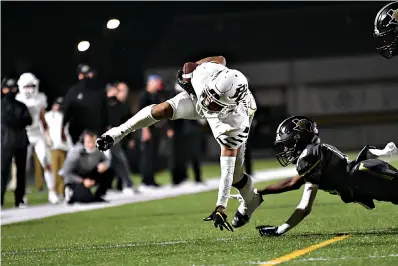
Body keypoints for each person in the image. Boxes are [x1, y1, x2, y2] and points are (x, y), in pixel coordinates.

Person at [97, 55, 262, 232]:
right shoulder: (206, 75)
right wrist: (194, 69)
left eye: (214, 103)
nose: (207, 104)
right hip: (209, 97)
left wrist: (221, 206)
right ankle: (116, 133)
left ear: (229, 104)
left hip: (224, 119)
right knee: (162, 109)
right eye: (209, 97)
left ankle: (250, 203)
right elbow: (220, 59)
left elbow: (226, 167)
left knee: (236, 177)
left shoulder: (234, 124)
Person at [252, 116, 398, 237]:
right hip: (361, 184)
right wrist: (260, 192)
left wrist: (280, 229)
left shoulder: (309, 156)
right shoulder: (313, 154)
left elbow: (304, 207)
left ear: (299, 139)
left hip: (365, 175)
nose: (286, 149)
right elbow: (292, 183)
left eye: (288, 144)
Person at [16, 73, 60, 204]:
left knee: (46, 162)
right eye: (27, 86)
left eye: (32, 85)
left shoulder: (40, 98)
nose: (30, 88)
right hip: (25, 134)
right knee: (23, 166)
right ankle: (22, 195)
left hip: (38, 134)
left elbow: (42, 118)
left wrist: (48, 135)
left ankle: (52, 192)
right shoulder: (18, 98)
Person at [1, 77, 32, 208]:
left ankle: (19, 199)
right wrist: (18, 120)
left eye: (13, 88)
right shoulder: (2, 105)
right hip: (5, 142)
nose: (11, 91)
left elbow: (29, 120)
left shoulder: (21, 105)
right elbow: (7, 120)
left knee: (21, 172)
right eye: (9, 88)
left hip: (20, 141)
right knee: (3, 171)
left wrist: (15, 120)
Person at [60, 131, 112, 204]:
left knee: (110, 171)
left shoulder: (98, 149)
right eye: (88, 142)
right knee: (85, 198)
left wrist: (104, 165)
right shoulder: (75, 153)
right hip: (75, 177)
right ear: (83, 142)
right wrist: (83, 181)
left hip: (89, 173)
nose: (91, 145)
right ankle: (70, 193)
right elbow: (66, 173)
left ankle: (98, 195)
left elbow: (107, 160)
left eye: (93, 142)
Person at [62, 64, 108, 144]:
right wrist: (62, 129)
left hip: (95, 134)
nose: (88, 76)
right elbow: (66, 112)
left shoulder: (100, 92)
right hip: (77, 135)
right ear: (80, 75)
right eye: (85, 74)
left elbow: (105, 113)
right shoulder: (73, 91)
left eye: (89, 73)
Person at [105, 83, 135, 194]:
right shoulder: (103, 105)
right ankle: (110, 186)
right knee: (111, 162)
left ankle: (125, 184)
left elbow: (128, 121)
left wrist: (130, 138)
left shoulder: (121, 106)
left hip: (118, 137)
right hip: (106, 137)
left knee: (119, 160)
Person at [137, 75, 163, 188]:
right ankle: (145, 180)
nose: (158, 84)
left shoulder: (156, 96)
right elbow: (141, 115)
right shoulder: (144, 96)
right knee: (146, 156)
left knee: (153, 155)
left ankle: (151, 179)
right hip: (147, 129)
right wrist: (145, 130)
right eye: (156, 82)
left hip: (155, 129)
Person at [44, 97, 68, 199]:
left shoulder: (65, 115)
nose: (57, 107)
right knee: (54, 171)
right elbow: (45, 129)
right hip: (53, 147)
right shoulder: (48, 115)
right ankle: (54, 191)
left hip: (64, 146)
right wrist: (47, 139)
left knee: (63, 170)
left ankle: (62, 191)